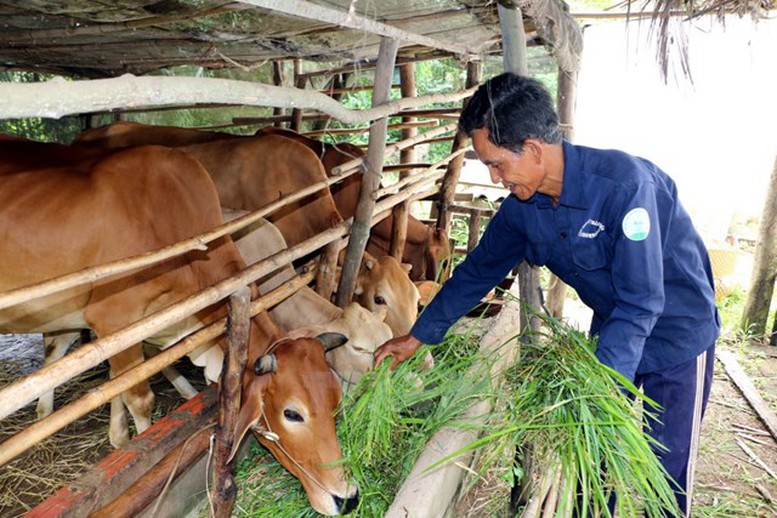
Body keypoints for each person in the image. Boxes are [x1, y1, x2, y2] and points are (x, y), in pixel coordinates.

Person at [373, 72, 719, 516]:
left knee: (664, 471)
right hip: (615, 324)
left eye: (497, 164)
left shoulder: (626, 188)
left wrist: (601, 389)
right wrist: (417, 336)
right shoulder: (524, 205)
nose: (496, 179)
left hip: (677, 332)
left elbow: (642, 301)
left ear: (534, 149)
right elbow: (477, 272)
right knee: (592, 460)